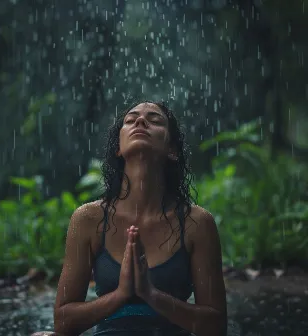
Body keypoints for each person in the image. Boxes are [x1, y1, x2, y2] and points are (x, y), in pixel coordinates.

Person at [32, 101, 227, 336]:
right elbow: (63, 323)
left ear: (172, 149)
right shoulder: (89, 219)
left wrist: (152, 295)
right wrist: (121, 295)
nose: (140, 121)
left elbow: (216, 326)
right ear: (118, 148)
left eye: (154, 120)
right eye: (131, 119)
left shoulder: (197, 223)